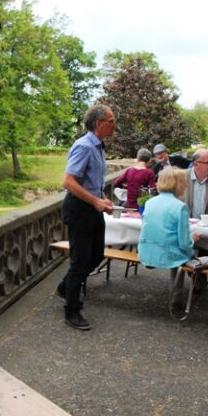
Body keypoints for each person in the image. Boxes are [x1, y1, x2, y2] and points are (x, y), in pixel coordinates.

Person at [55, 104, 115, 331]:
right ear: (98, 123)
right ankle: (72, 310)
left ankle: (65, 287)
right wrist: (96, 202)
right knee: (80, 262)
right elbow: (68, 181)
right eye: (111, 120)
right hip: (79, 210)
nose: (114, 125)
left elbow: (91, 181)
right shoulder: (85, 146)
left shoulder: (99, 147)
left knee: (96, 255)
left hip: (91, 208)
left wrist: (102, 197)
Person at [138, 168, 200, 308]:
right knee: (186, 253)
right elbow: (184, 243)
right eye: (184, 182)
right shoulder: (180, 207)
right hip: (167, 255)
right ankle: (178, 297)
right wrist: (193, 241)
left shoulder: (150, 202)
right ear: (177, 184)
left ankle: (193, 287)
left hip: (146, 252)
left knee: (177, 249)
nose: (185, 185)